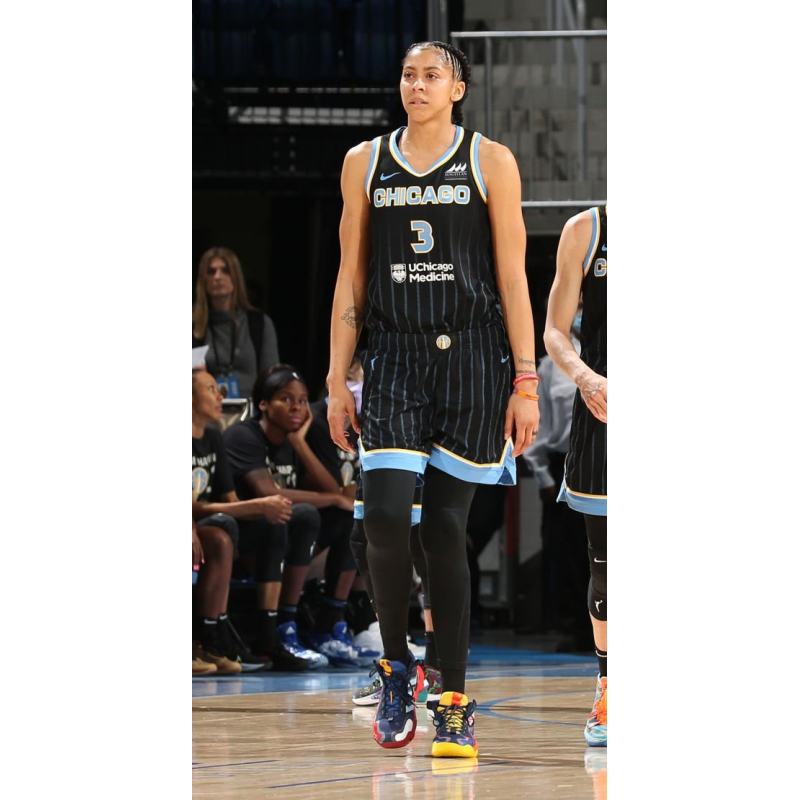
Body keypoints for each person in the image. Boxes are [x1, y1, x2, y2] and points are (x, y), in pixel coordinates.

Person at [326, 40, 539, 758]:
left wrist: (526, 379)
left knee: (445, 531)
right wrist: (336, 377)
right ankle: (396, 668)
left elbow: (513, 277)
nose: (416, 85)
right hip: (393, 355)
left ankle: (453, 698)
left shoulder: (490, 160)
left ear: (458, 89)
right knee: (384, 518)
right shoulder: (365, 162)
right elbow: (351, 277)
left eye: (431, 75)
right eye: (408, 75)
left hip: (474, 357)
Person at [223, 363, 378, 669]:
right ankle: (283, 627)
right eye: (286, 399)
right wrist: (333, 497)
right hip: (246, 540)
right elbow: (268, 492)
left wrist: (299, 444)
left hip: (287, 542)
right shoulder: (244, 435)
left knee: (350, 516)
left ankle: (329, 625)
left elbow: (333, 489)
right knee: (303, 514)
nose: (297, 407)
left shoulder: (292, 440)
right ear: (263, 404)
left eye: (303, 401)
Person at [542, 205, 607, 747]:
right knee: (607, 569)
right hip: (605, 410)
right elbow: (555, 331)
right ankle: (610, 686)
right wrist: (586, 378)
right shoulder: (588, 229)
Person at [192, 367, 296, 673]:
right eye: (211, 389)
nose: (220, 396)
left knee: (257, 526)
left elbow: (230, 502)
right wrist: (260, 503)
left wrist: (262, 508)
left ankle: (216, 641)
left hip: (205, 523)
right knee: (221, 534)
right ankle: (206, 637)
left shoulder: (213, 436)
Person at [523, 307, 592, 651]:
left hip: (606, 456)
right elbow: (542, 424)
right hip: (563, 460)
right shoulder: (550, 364)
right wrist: (542, 474)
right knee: (567, 551)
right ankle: (574, 627)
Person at [192, 246, 281, 401]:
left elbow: (272, 380)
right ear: (203, 280)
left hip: (251, 410)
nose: (217, 277)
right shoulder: (193, 326)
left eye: (225, 271)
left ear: (236, 277)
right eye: (211, 271)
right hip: (208, 409)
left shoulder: (259, 323)